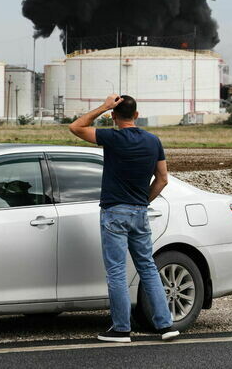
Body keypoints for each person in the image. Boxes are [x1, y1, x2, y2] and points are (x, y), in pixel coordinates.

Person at [69, 94, 178, 343]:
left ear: (113, 117)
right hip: (140, 212)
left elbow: (76, 127)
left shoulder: (112, 137)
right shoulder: (153, 141)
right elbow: (162, 179)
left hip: (114, 212)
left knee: (117, 270)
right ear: (137, 115)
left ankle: (121, 329)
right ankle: (165, 325)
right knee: (148, 267)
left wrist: (104, 107)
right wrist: (143, 202)